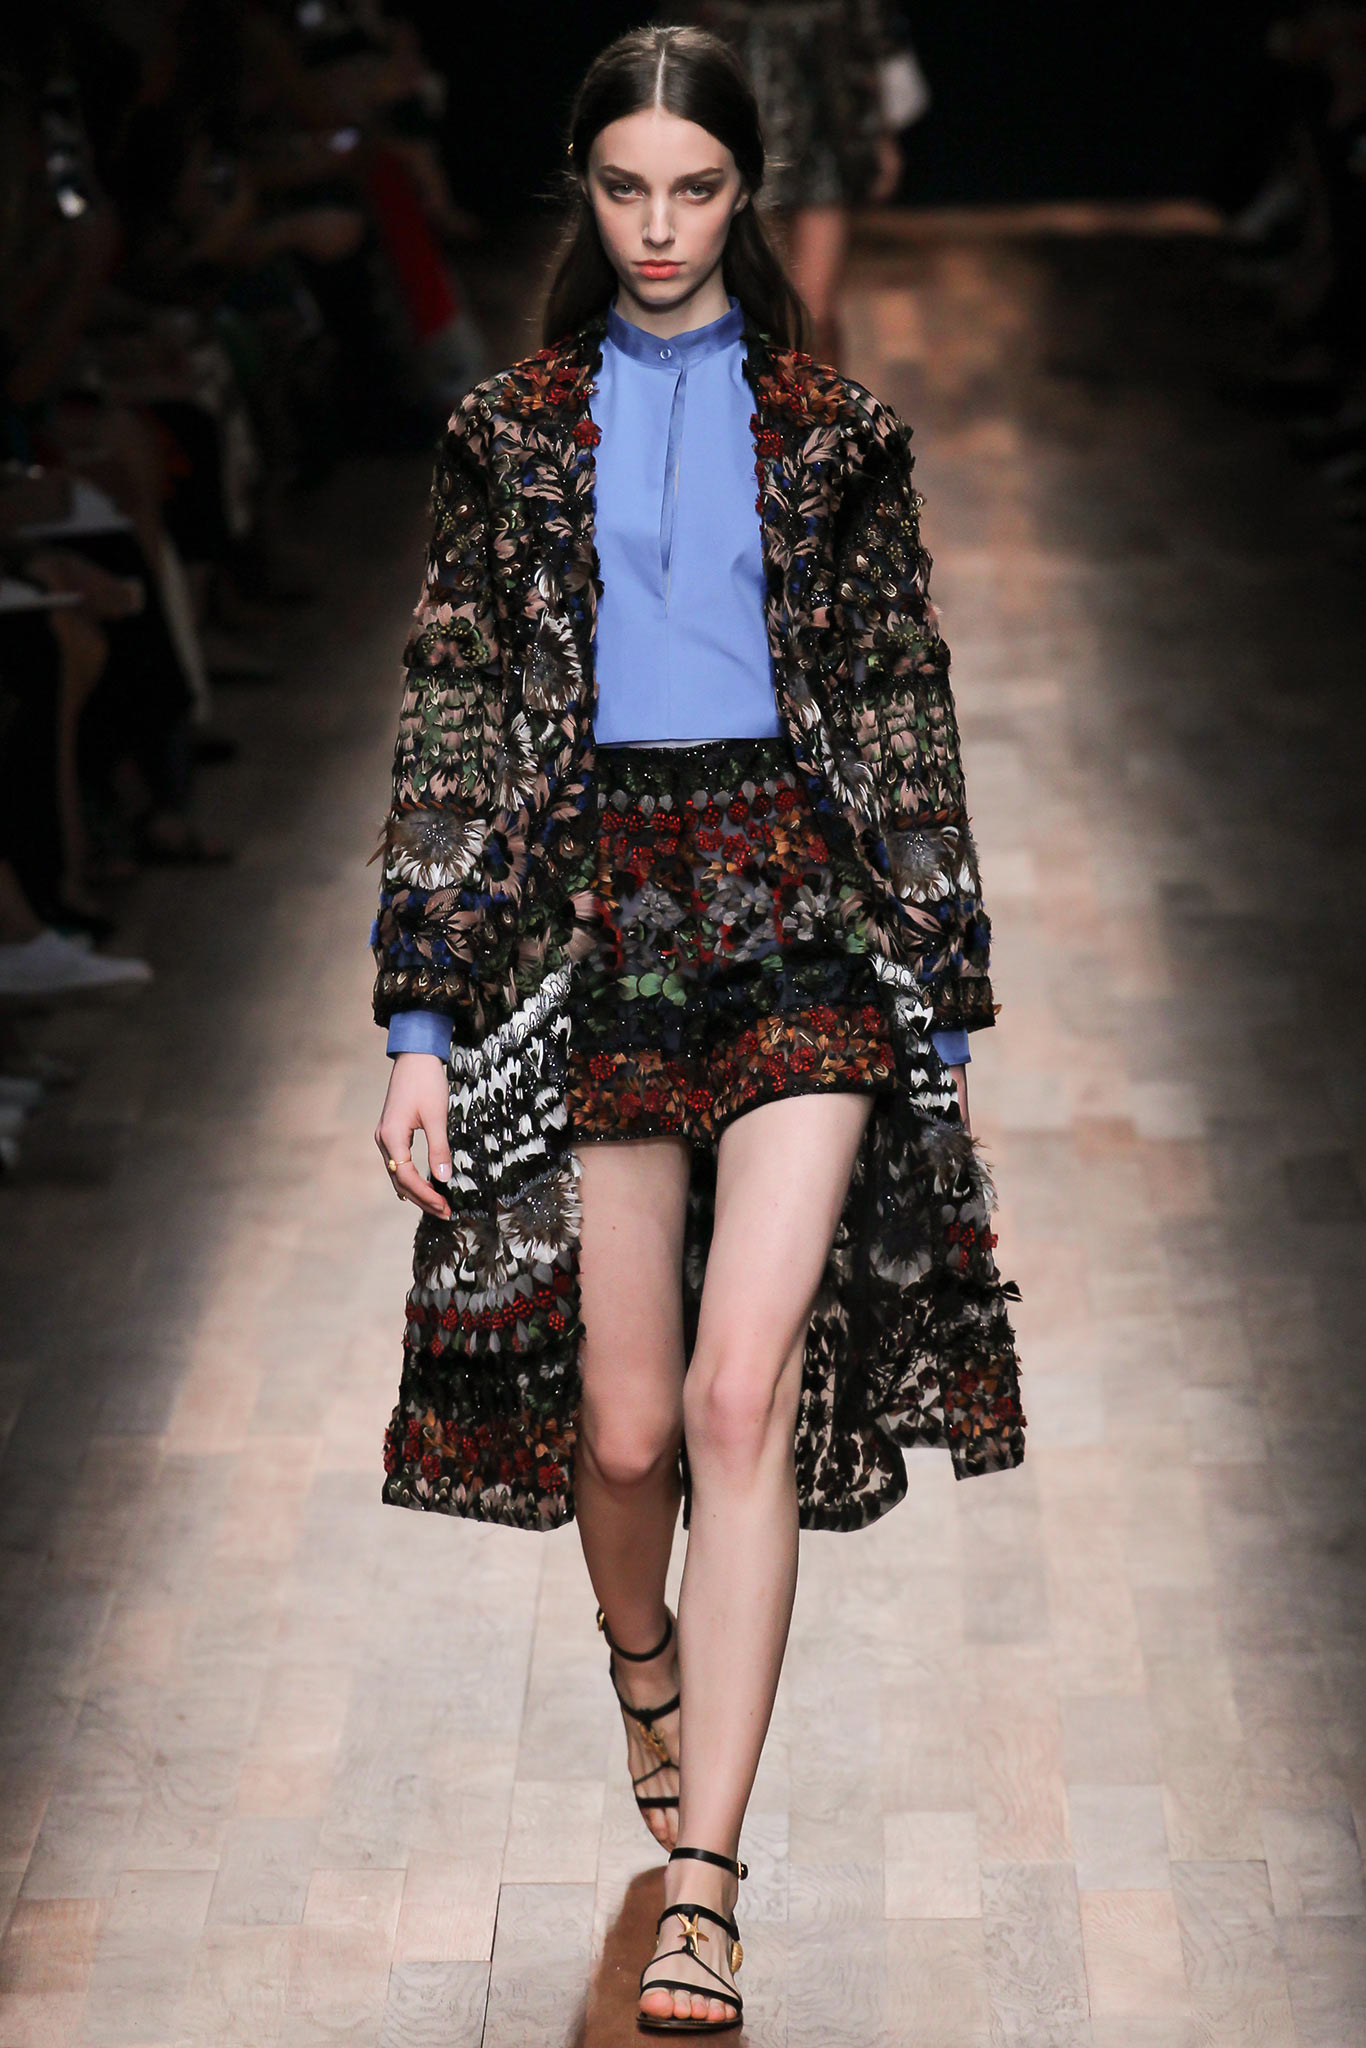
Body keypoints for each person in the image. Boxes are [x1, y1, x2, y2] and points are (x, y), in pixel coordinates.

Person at [370, 24, 1022, 2034]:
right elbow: (456, 714)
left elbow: (900, 707)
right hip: (593, 916)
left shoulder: (836, 434)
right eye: (626, 188)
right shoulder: (506, 434)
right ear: (583, 189)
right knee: (628, 1427)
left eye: (698, 189)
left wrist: (940, 1008)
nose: (660, 227)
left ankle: (706, 1884)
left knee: (743, 1402)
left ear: (747, 192)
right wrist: (417, 1022)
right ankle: (641, 1663)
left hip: (797, 900)